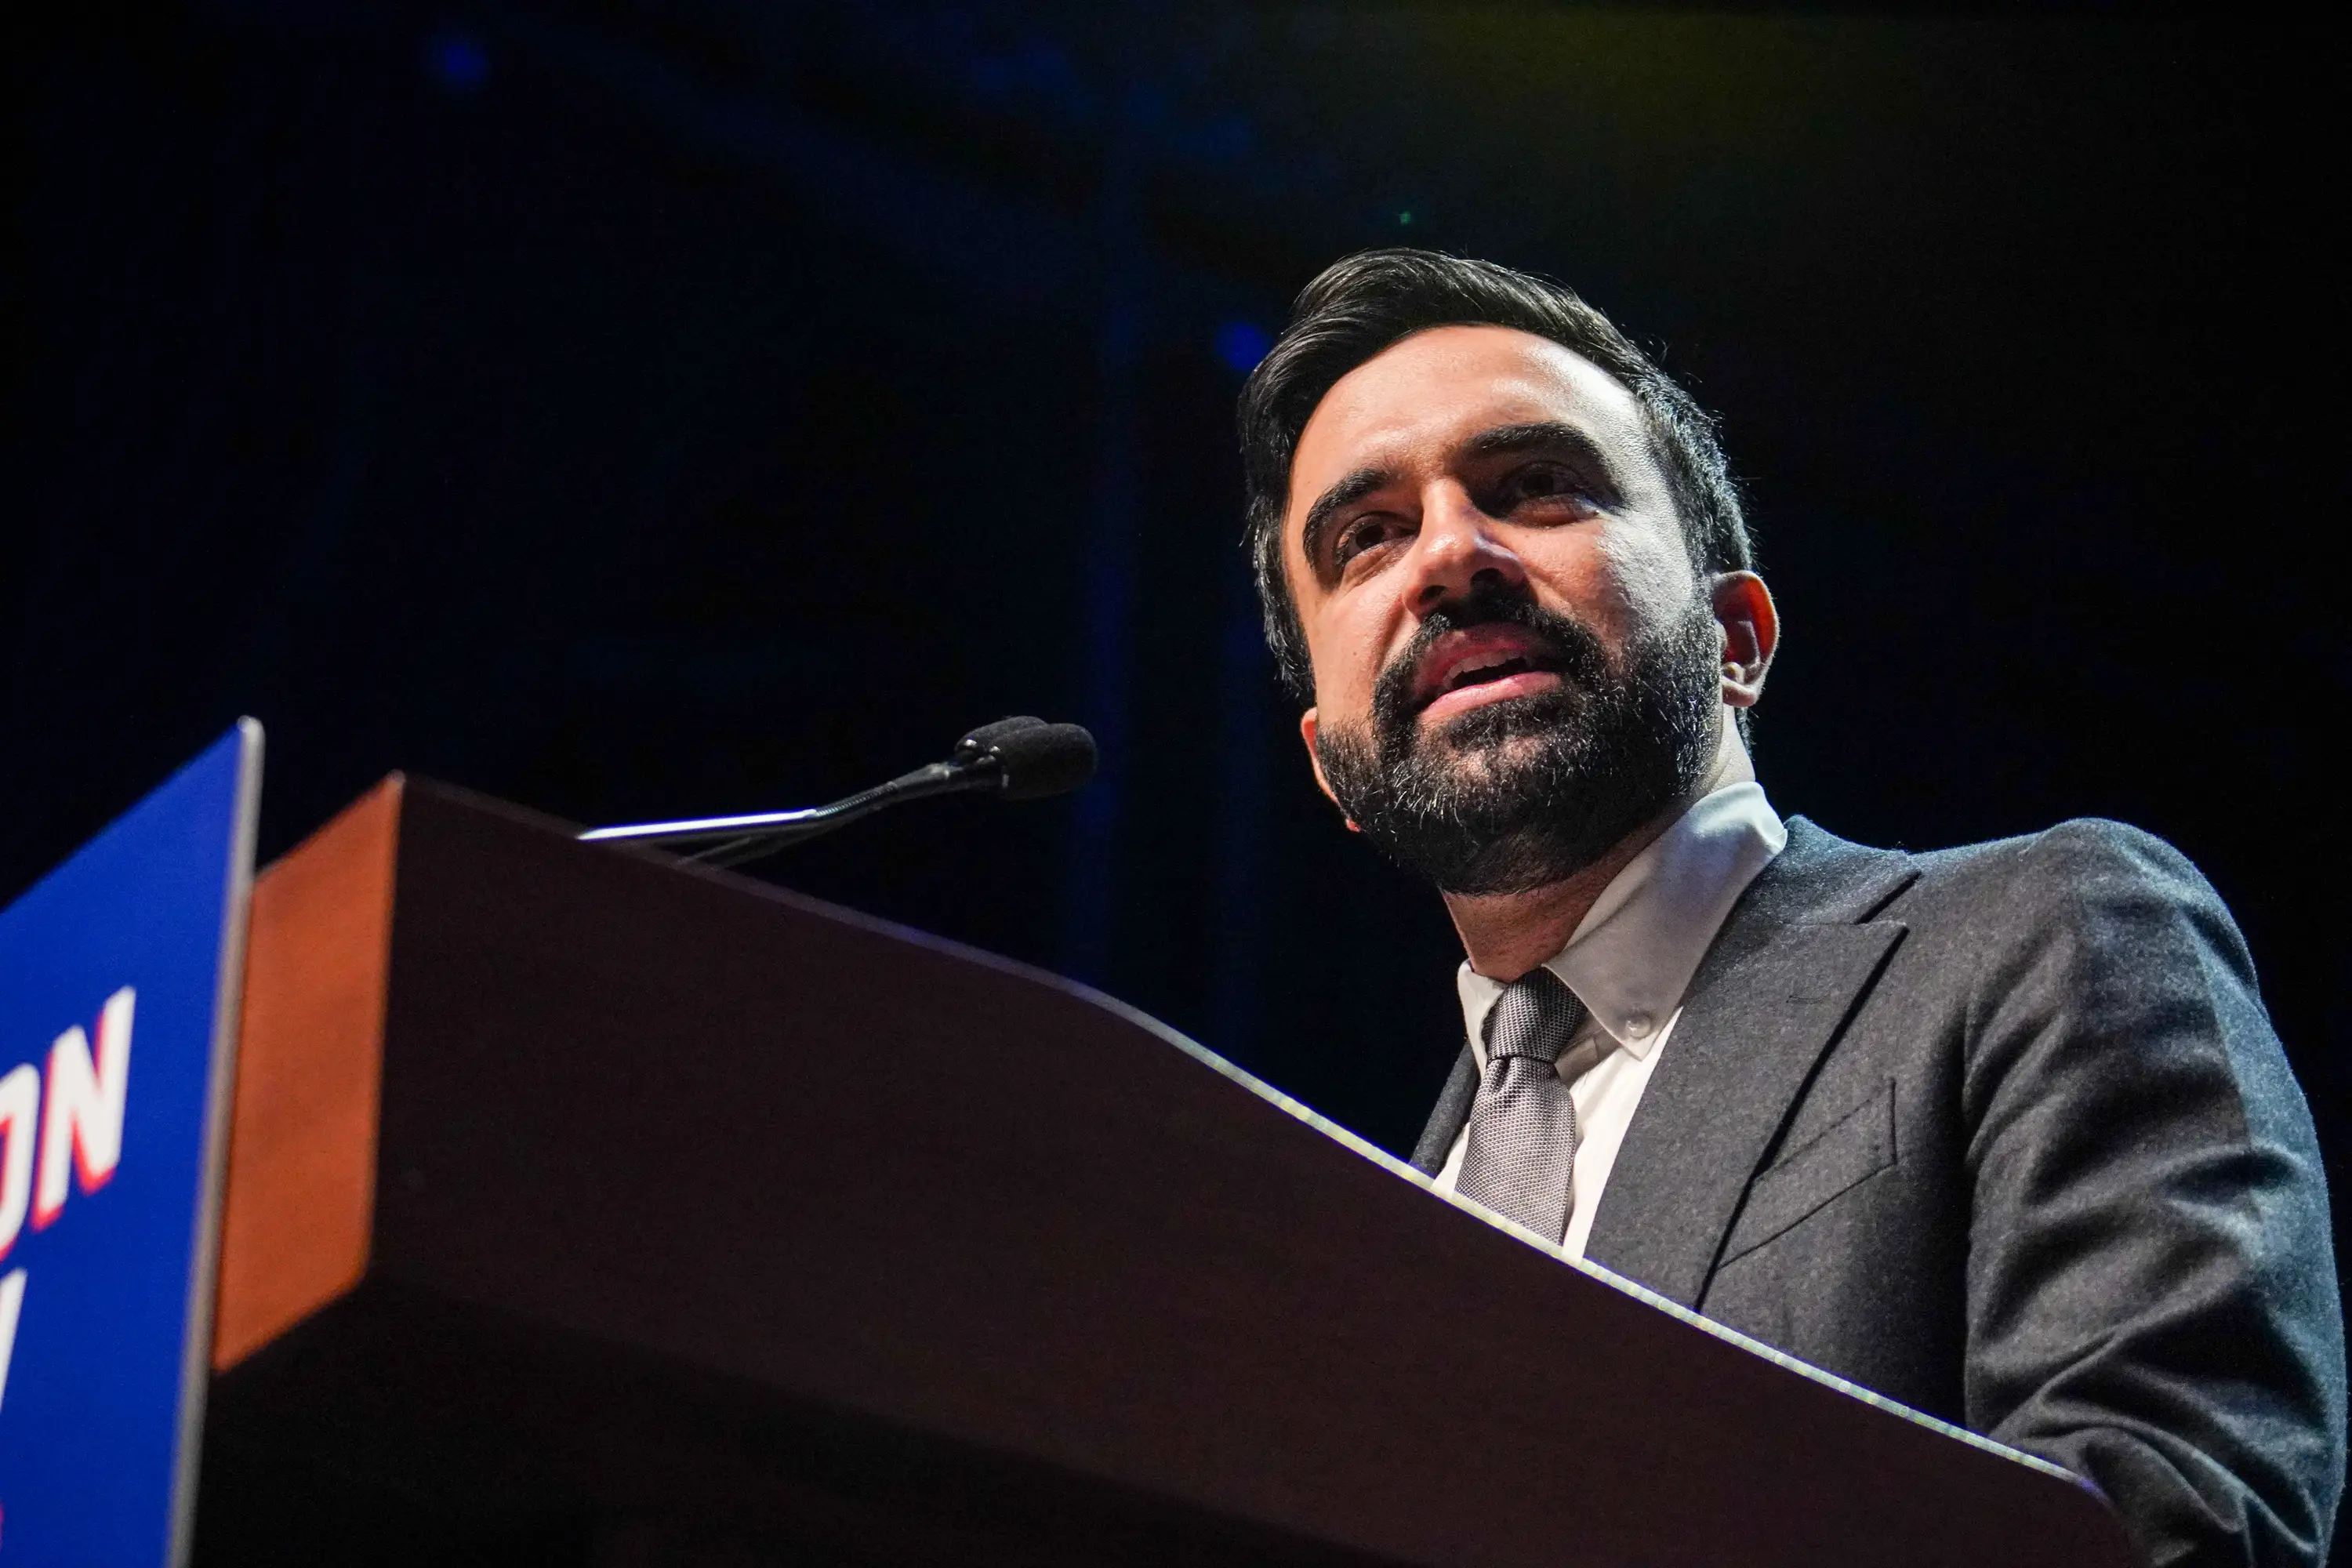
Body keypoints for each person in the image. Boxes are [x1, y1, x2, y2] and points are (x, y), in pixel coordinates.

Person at [1236, 248, 2343, 1566]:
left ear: (1738, 640)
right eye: (1366, 537)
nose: (1450, 557)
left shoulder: (2048, 937)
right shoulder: (1375, 1237)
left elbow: (2170, 1527)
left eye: (1534, 486)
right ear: (1329, 765)